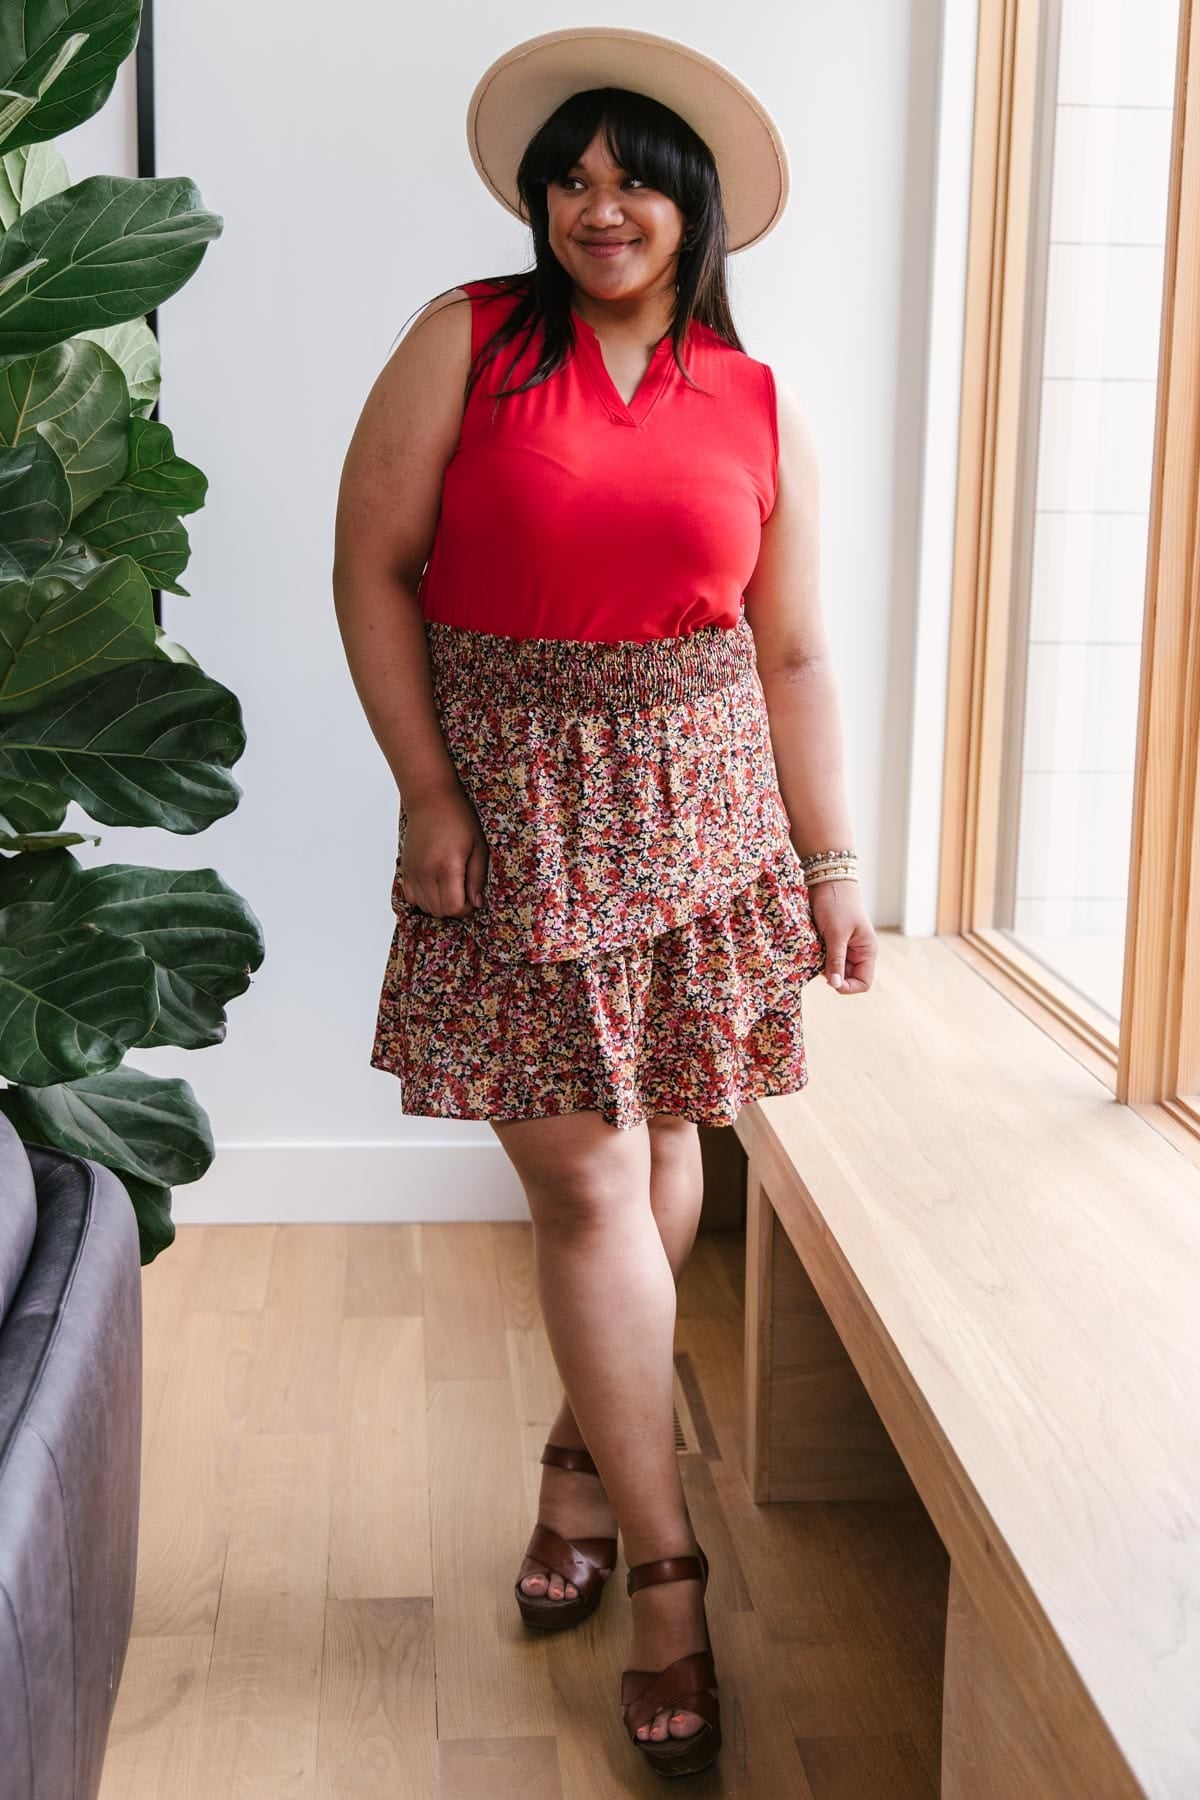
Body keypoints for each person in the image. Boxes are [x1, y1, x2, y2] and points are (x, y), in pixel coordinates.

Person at [333, 25, 877, 1779]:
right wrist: (428, 788)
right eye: (569, 179)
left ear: (693, 203)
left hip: (705, 813)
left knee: (663, 1159)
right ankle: (667, 1579)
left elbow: (790, 654)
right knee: (585, 1178)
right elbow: (374, 568)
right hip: (519, 807)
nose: (599, 207)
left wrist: (831, 863)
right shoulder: (468, 339)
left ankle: (578, 1474)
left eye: (633, 178)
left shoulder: (759, 399)